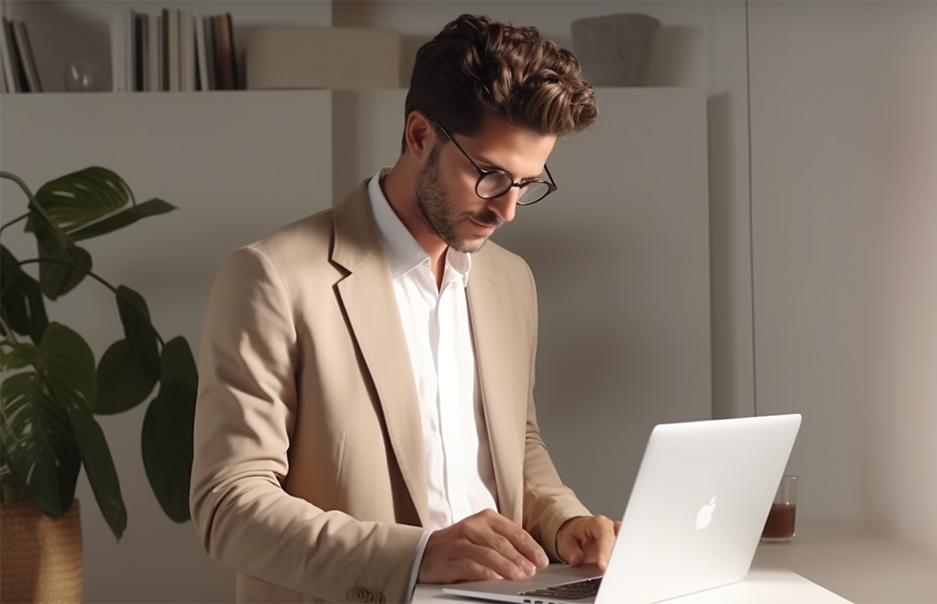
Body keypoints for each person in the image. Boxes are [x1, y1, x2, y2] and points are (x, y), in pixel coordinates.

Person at [190, 14, 618, 604]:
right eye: (491, 176)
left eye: (527, 183)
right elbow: (228, 505)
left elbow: (513, 442)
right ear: (420, 135)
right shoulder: (272, 277)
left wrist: (565, 521)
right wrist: (415, 556)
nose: (508, 210)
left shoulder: (510, 280)